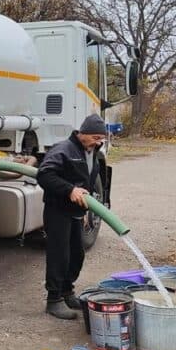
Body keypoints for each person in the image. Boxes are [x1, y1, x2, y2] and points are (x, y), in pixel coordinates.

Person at [36, 114, 108, 320]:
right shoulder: (63, 150)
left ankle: (67, 292)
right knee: (59, 255)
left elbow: (86, 182)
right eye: (95, 137)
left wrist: (84, 212)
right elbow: (44, 175)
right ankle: (54, 300)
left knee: (77, 254)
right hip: (58, 210)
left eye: (101, 139)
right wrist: (69, 190)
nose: (98, 142)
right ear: (82, 133)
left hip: (76, 212)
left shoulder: (92, 151)